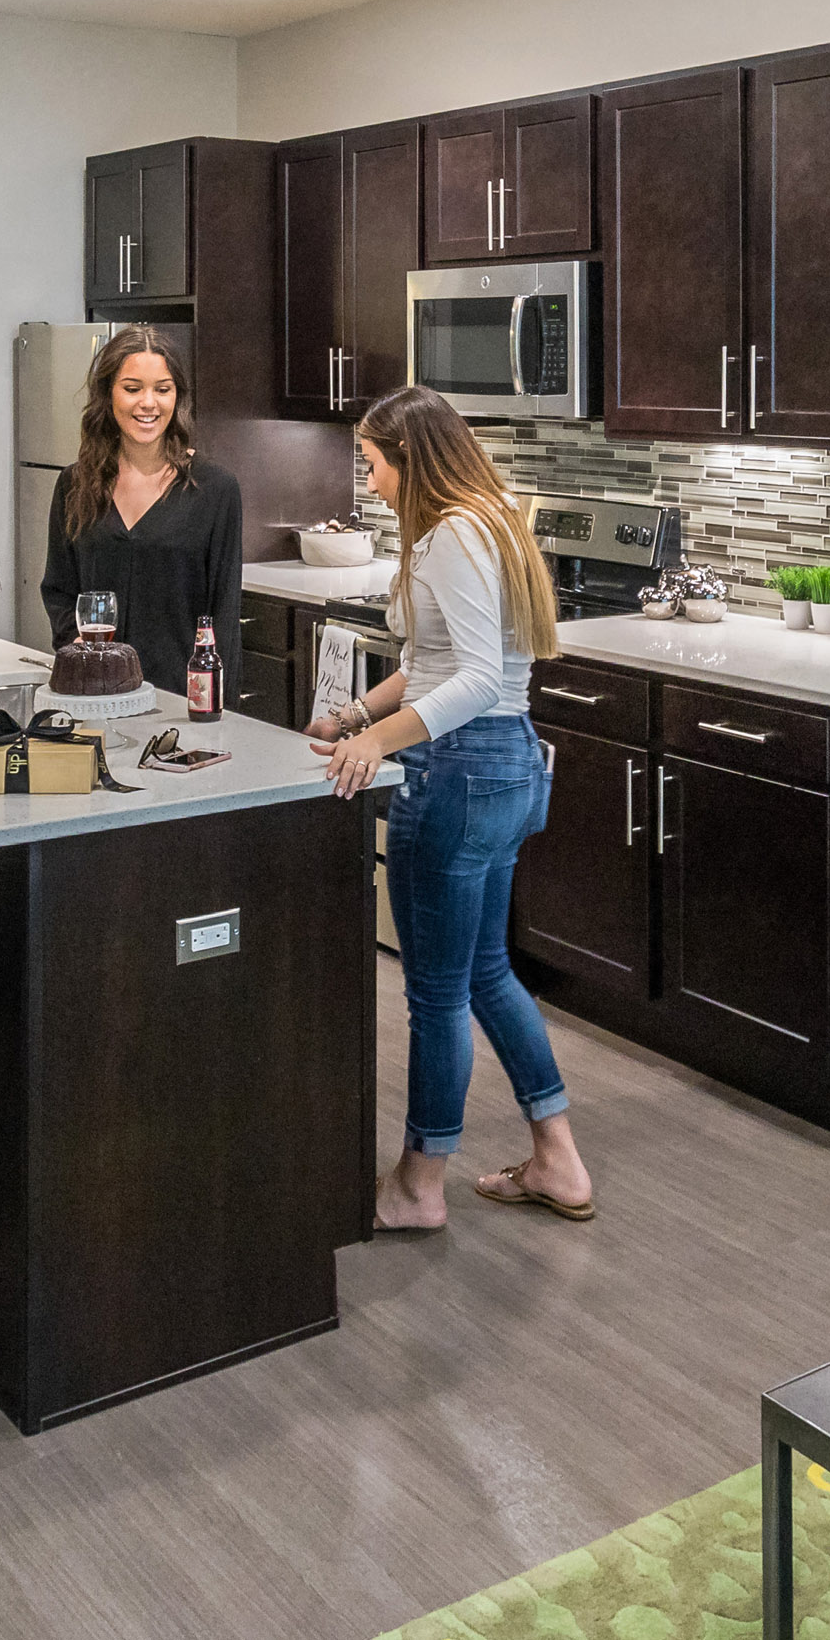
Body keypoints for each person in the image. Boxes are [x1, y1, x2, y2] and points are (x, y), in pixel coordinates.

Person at [307, 384, 596, 1231]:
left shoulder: (450, 536)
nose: (371, 479)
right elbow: (436, 662)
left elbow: (469, 683)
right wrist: (358, 715)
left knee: (435, 993)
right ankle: (558, 1160)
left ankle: (418, 1183)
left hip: (463, 771)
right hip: (503, 767)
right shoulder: (487, 520)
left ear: (410, 458)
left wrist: (380, 744)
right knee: (484, 972)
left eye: (374, 462)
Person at [31, 322, 245, 706]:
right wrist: (77, 646)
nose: (149, 403)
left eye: (162, 390)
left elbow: (224, 615)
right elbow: (59, 590)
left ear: (177, 398)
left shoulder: (215, 490)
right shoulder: (74, 484)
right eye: (132, 389)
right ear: (108, 395)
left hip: (179, 703)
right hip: (93, 697)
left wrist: (219, 709)